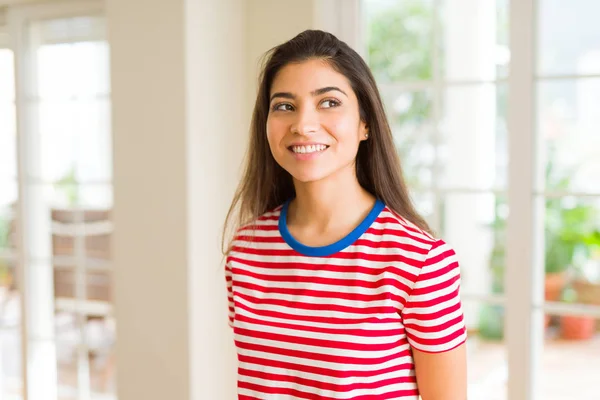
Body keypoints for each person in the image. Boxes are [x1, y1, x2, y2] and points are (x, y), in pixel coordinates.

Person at [223, 29, 467, 400]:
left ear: (365, 123)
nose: (302, 124)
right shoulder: (247, 250)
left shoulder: (420, 262)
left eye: (329, 103)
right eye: (284, 106)